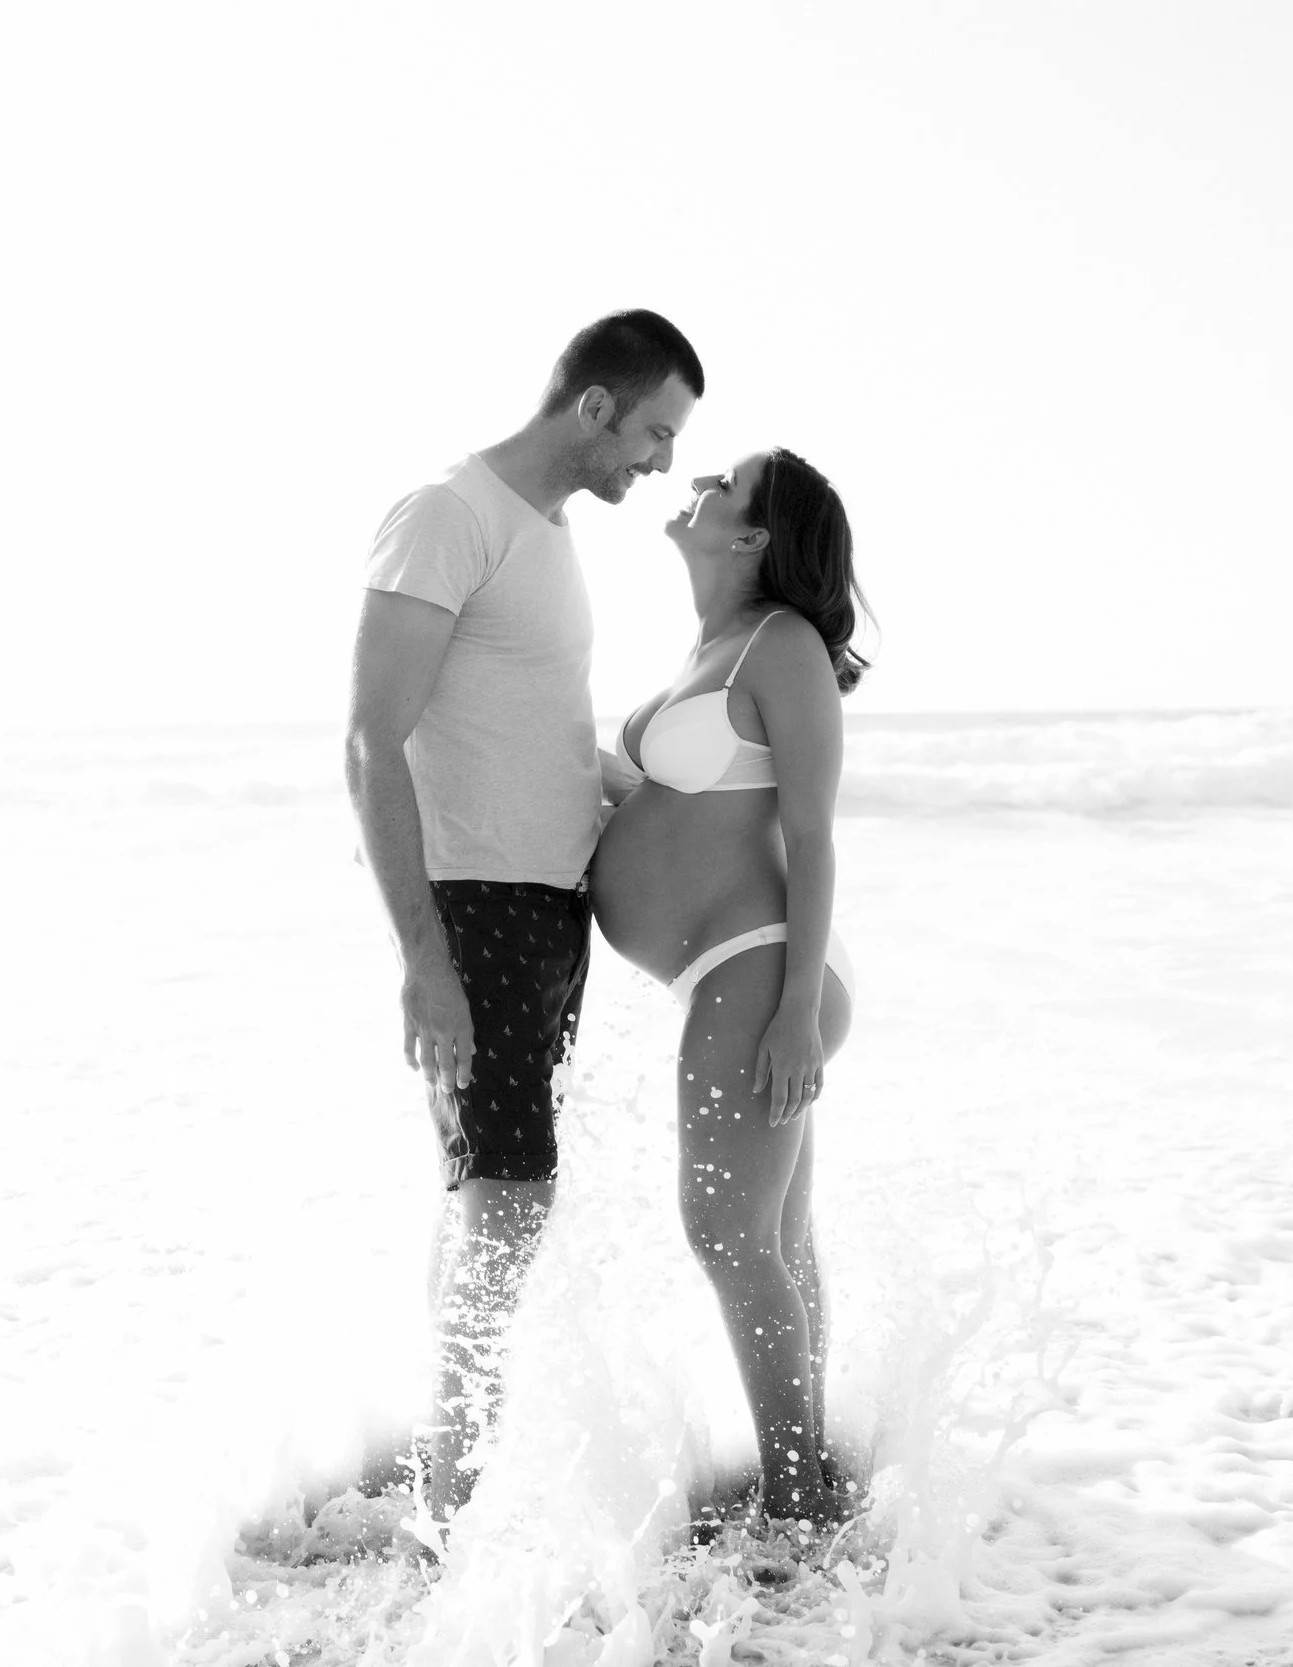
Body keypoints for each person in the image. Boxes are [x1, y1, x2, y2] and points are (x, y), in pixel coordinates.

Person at [345, 310, 704, 1523]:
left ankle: (437, 1475)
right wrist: (423, 960)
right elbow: (370, 739)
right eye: (653, 431)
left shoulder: (548, 532)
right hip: (476, 904)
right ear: (594, 406)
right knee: (508, 1195)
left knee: (483, 1195)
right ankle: (450, 1508)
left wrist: (662, 797)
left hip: (547, 907)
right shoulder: (449, 516)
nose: (660, 461)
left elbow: (530, 729)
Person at [590, 447, 870, 1527]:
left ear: (752, 536)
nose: (698, 482)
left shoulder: (780, 643)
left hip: (763, 963)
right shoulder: (711, 648)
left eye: (725, 482)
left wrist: (794, 1012)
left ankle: (795, 1498)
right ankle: (809, 1474)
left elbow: (813, 834)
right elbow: (671, 802)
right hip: (734, 969)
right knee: (773, 1238)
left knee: (726, 1231)